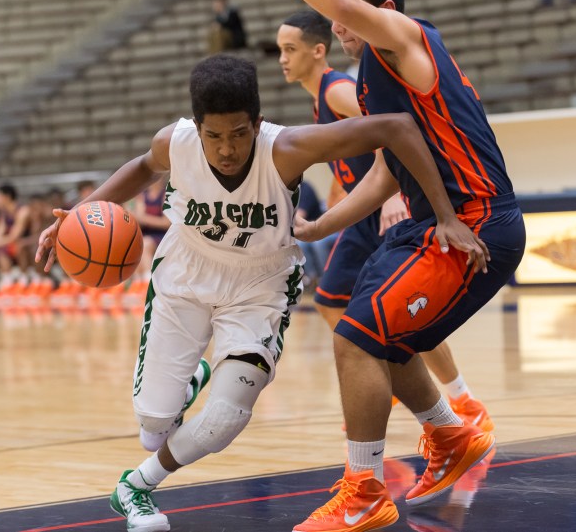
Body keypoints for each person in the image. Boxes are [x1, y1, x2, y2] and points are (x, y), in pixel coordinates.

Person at [35, 53, 477, 532]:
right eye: (215, 136)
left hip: (259, 285)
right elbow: (143, 166)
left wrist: (445, 215)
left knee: (224, 418)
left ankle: (135, 488)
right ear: (196, 127)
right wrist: (80, 212)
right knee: (152, 425)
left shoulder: (285, 148)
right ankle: (187, 385)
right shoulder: (174, 142)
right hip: (186, 274)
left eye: (239, 134)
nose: (227, 149)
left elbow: (399, 128)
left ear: (258, 122)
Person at [226, 0, 525, 531]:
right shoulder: (371, 79)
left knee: (356, 341)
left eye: (349, 14)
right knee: (373, 335)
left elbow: (336, 4)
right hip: (434, 220)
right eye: (339, 18)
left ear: (381, 10)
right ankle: (449, 434)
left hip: (475, 220)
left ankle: (365, 490)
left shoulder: (406, 38)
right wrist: (317, 225)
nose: (337, 27)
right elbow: (389, 168)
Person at [278, 9, 496, 430]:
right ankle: (391, 381)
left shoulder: (338, 89)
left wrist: (395, 190)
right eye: (280, 50)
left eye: (290, 49)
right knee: (331, 300)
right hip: (364, 215)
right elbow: (351, 164)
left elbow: (395, 131)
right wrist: (337, 202)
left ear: (318, 51)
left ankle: (462, 400)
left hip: (386, 210)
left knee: (403, 317)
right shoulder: (319, 96)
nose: (283, 59)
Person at [292, 178, 336, 286]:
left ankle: (326, 279)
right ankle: (311, 279)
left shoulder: (305, 189)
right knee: (298, 242)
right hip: (309, 230)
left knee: (317, 243)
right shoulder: (285, 191)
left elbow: (299, 217)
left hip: (324, 229)